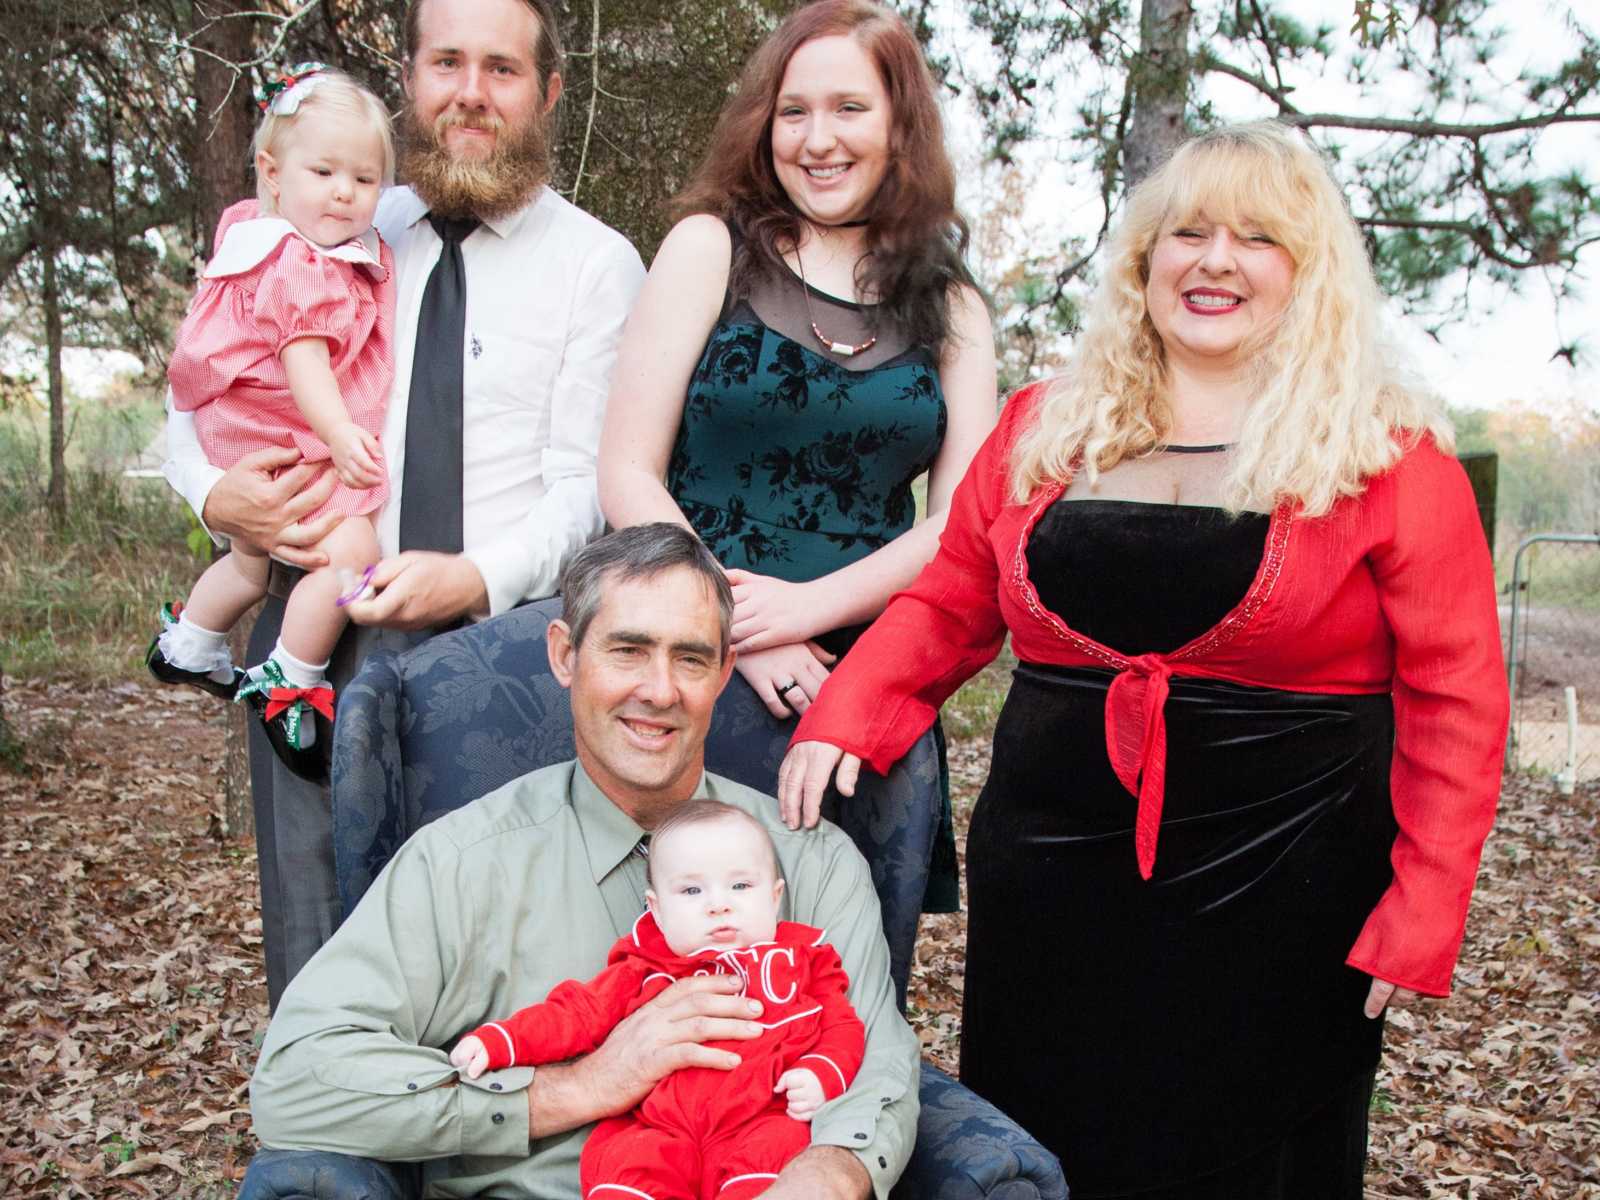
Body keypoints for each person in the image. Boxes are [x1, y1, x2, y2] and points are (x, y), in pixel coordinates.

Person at [780, 122, 1510, 1199]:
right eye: (1188, 233)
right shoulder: (1043, 428)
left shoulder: (1387, 455)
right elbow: (947, 603)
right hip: (1053, 885)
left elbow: (1457, 698)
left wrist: (1425, 902)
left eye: (1258, 239)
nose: (1214, 260)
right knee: (1048, 1147)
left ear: (1308, 277)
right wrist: (848, 712)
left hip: (1286, 891)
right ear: (1142, 261)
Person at [162, 0, 646, 1008]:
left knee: (497, 946)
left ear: (547, 92)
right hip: (316, 633)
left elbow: (585, 483)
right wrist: (221, 501)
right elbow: (199, 393)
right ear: (410, 78)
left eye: (503, 70)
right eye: (448, 63)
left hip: (507, 650)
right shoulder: (330, 223)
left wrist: (471, 577)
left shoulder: (595, 264)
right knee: (316, 928)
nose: (471, 91)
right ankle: (328, 1150)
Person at [245, 524, 920, 1200]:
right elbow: (297, 1075)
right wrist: (578, 1087)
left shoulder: (809, 858)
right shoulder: (461, 863)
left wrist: (825, 1176)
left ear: (721, 673)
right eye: (628, 650)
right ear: (566, 655)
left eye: (690, 659)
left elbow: (876, 1059)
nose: (659, 690)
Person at [597, 0, 997, 994]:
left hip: (864, 673)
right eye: (793, 111)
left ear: (899, 126)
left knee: (840, 977)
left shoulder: (952, 305)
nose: (818, 140)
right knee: (668, 958)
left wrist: (810, 613)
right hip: (688, 655)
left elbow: (961, 523)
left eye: (850, 109)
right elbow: (624, 471)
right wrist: (736, 627)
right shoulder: (708, 248)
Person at [149, 67, 394, 774]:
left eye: (364, 179)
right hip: (284, 437)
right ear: (272, 172)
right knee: (353, 549)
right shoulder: (303, 264)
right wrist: (342, 433)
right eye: (324, 171)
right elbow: (304, 360)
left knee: (249, 563)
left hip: (239, 438)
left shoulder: (249, 235)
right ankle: (293, 672)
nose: (344, 192)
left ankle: (190, 642)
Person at [450, 800, 866, 1200]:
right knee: (628, 1165)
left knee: (781, 1155)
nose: (719, 905)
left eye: (740, 885)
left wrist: (820, 1072)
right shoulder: (645, 969)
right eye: (691, 891)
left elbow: (842, 1027)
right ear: (657, 909)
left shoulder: (804, 961)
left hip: (761, 1117)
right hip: (661, 1125)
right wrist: (502, 1041)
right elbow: (576, 1014)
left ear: (774, 898)